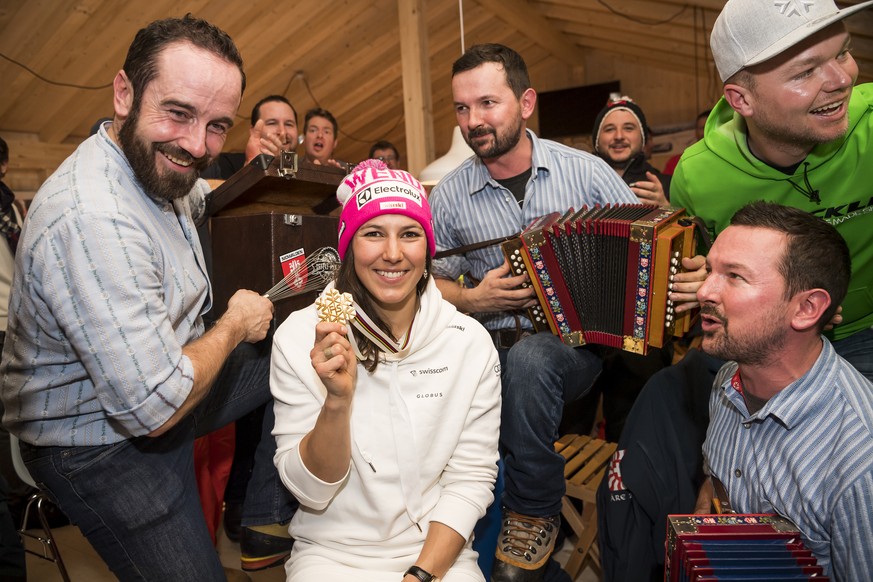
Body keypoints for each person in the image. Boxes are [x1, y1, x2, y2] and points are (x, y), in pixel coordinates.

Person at [0, 15, 295, 580]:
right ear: (123, 93)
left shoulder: (156, 167)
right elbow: (153, 407)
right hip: (96, 441)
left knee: (306, 342)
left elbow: (204, 195)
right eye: (178, 113)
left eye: (217, 125)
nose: (196, 144)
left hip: (158, 386)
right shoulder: (93, 218)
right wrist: (233, 323)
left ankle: (263, 516)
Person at [429, 43, 640, 582]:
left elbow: (645, 247)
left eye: (486, 103)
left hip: (575, 350)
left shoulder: (588, 172)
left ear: (525, 102)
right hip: (483, 352)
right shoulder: (449, 196)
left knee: (531, 360)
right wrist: (472, 298)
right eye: (460, 109)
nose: (472, 121)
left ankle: (533, 512)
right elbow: (422, 280)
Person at [271, 159, 501, 582]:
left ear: (428, 248)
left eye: (409, 234)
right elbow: (309, 491)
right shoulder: (302, 335)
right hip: (332, 553)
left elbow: (470, 479)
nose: (393, 254)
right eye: (374, 233)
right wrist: (338, 402)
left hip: (436, 553)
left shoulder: (468, 343)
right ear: (348, 245)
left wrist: (421, 575)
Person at [670, 0, 873, 382]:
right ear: (741, 100)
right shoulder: (697, 176)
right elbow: (699, 279)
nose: (842, 79)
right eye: (805, 72)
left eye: (842, 52)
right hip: (764, 346)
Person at [694, 201, 873, 581]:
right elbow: (717, 483)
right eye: (710, 271)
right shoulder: (728, 379)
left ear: (807, 307)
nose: (704, 291)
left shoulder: (860, 462)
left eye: (735, 276)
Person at [591, 96, 670, 205]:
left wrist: (667, 209)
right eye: (609, 129)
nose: (619, 136)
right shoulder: (581, 183)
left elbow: (695, 222)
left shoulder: (665, 186)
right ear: (597, 141)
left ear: (642, 138)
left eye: (628, 128)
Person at [245, 94, 299, 164]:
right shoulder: (228, 165)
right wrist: (253, 166)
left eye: (289, 124)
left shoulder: (308, 171)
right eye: (272, 123)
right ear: (253, 131)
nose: (283, 132)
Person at [661, 109, 709, 175]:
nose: (706, 132)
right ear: (696, 132)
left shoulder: (726, 157)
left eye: (709, 128)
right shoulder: (677, 162)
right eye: (702, 128)